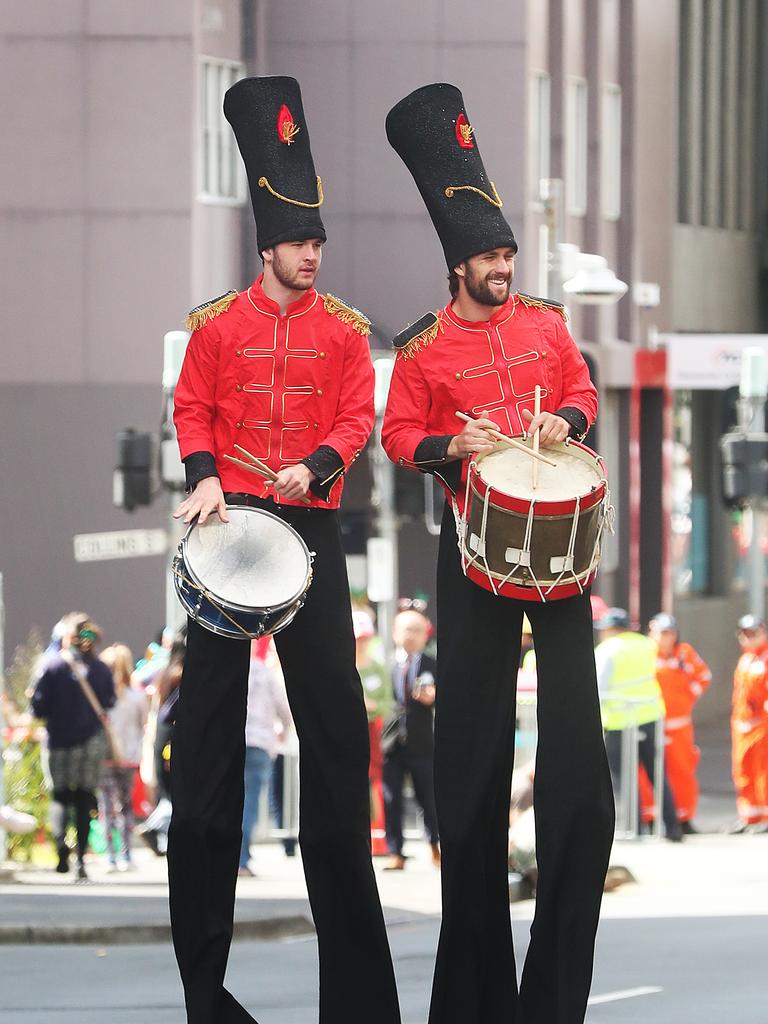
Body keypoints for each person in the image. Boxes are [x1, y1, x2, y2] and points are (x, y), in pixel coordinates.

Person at [168, 76, 400, 1024]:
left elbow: (357, 417)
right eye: (302, 243)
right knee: (209, 757)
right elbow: (191, 410)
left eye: (318, 243)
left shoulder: (346, 334)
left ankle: (356, 999)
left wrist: (317, 464)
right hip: (226, 525)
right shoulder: (214, 328)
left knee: (338, 736)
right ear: (269, 245)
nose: (313, 255)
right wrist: (204, 472)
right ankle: (202, 992)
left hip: (307, 525)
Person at [382, 83, 614, 1024]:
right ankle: (475, 998)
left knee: (578, 778)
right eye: (489, 257)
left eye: (510, 253)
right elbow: (397, 438)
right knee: (469, 778)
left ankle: (557, 992)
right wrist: (455, 446)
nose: (505, 268)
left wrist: (560, 421)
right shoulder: (425, 350)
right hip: (470, 551)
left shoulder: (549, 326)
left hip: (557, 564)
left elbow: (585, 394)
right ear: (457, 266)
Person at [31, 614, 115, 881]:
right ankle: (81, 861)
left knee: (59, 797)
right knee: (83, 798)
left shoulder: (51, 665)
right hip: (91, 741)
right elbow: (109, 701)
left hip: (58, 741)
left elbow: (38, 707)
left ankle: (60, 852)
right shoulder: (101, 669)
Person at [594, 608, 682, 841]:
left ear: (611, 629)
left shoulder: (607, 650)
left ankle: (636, 826)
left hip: (619, 720)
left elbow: (598, 687)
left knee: (622, 776)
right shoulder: (646, 645)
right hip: (650, 715)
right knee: (657, 774)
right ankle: (672, 827)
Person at [382, 608, 439, 870]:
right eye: (407, 629)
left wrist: (434, 696)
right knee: (391, 798)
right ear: (395, 633)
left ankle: (435, 847)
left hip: (421, 741)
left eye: (417, 630)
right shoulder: (386, 665)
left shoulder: (432, 664)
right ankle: (396, 851)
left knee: (428, 797)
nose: (412, 635)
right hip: (391, 742)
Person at [648, 612, 711, 832]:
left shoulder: (685, 653)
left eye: (670, 632)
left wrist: (688, 698)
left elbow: (704, 676)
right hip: (653, 723)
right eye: (663, 632)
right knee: (649, 773)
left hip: (679, 725)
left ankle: (684, 817)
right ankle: (651, 817)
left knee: (683, 771)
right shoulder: (646, 654)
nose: (667, 637)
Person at [239, 638, 293, 877]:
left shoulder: (229, 671)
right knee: (249, 802)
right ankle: (241, 859)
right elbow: (285, 708)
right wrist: (283, 730)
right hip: (260, 741)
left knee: (231, 800)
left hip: (233, 741)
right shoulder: (264, 673)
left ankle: (233, 856)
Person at [99, 644, 148, 871]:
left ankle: (110, 856)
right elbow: (143, 726)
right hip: (129, 756)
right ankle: (127, 855)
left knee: (106, 806)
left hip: (105, 756)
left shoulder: (100, 697)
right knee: (126, 806)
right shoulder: (137, 697)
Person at [353, 609, 392, 856]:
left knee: (374, 780)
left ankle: (377, 837)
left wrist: (371, 707)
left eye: (364, 638)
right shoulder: (343, 664)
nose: (361, 643)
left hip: (372, 732)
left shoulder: (377, 667)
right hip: (349, 732)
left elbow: (386, 702)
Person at [730, 614, 768, 833]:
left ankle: (765, 815)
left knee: (763, 771)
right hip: (743, 725)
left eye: (754, 633)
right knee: (742, 770)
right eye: (745, 634)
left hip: (762, 725)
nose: (749, 638)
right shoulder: (746, 660)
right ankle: (749, 816)